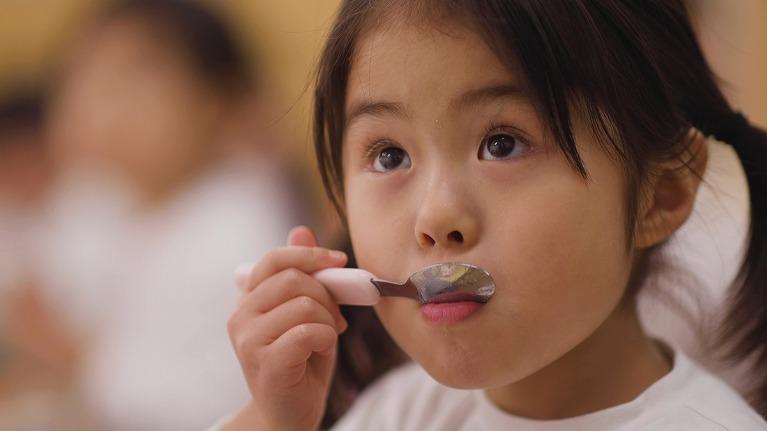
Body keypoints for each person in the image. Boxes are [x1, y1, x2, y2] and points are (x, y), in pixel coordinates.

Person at [218, 1, 767, 430]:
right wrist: (272, 422)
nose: (434, 217)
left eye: (502, 144)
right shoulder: (399, 416)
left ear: (660, 195)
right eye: (390, 156)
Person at [36, 0, 304, 429]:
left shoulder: (238, 224)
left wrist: (74, 356)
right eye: (84, 78)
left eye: (130, 79)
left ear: (212, 101)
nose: (98, 105)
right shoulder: (102, 199)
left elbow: (200, 405)